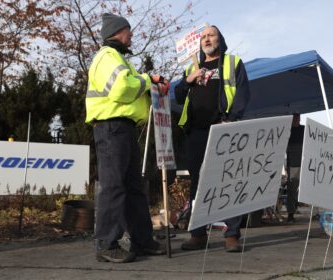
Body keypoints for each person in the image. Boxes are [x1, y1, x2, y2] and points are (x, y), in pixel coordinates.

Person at [86, 13, 167, 263]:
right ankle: (106, 244)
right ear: (118, 31)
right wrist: (147, 79)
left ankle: (142, 240)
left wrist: (152, 86)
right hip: (112, 127)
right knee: (114, 186)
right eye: (128, 31)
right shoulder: (107, 57)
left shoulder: (117, 58)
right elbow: (122, 89)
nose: (131, 35)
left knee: (133, 187)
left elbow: (129, 88)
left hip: (122, 128)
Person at [174, 26, 251, 252]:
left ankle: (232, 234)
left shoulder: (232, 63)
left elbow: (243, 94)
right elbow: (178, 96)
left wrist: (232, 119)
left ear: (220, 39)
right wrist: (188, 80)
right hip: (196, 132)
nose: (206, 39)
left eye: (211, 35)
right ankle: (198, 234)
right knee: (198, 184)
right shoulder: (192, 66)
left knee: (228, 180)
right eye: (203, 37)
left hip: (223, 129)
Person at [286, 113, 305, 223]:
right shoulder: (287, 130)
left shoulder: (304, 129)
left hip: (305, 162)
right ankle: (291, 214)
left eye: (297, 118)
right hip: (292, 163)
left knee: (306, 188)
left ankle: (315, 212)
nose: (296, 120)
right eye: (294, 118)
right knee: (292, 189)